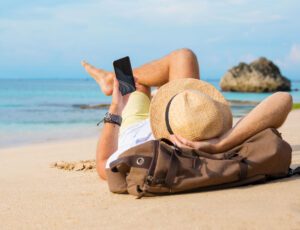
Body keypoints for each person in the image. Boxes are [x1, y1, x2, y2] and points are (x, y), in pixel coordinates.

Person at [82, 48, 293, 180]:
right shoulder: (208, 131)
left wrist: (115, 108)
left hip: (138, 124)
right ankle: (114, 79)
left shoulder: (143, 153)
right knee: (184, 57)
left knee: (138, 88)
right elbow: (284, 99)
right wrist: (220, 143)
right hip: (179, 116)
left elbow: (103, 164)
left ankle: (112, 80)